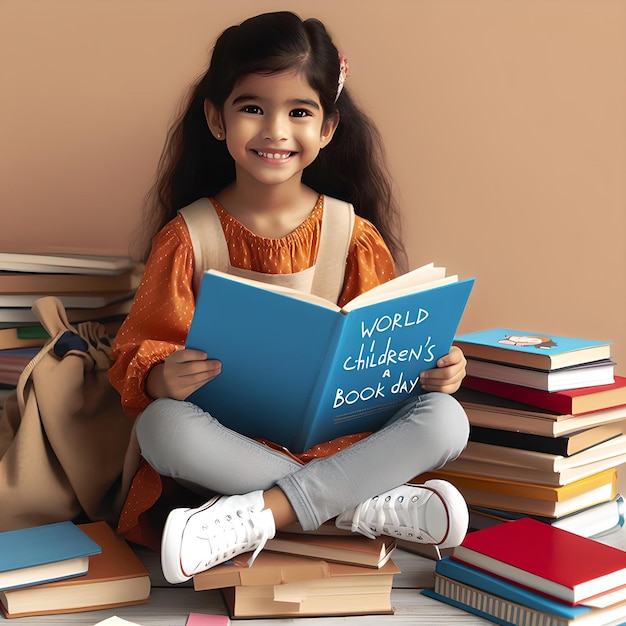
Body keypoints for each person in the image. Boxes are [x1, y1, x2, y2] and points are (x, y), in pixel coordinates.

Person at [109, 11, 470, 585]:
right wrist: (159, 377)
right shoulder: (189, 236)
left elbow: (391, 344)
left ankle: (259, 516)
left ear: (327, 128)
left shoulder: (352, 234)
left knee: (447, 420)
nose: (275, 130)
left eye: (299, 112)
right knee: (161, 428)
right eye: (253, 108)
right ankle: (357, 510)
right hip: (231, 450)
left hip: (345, 441)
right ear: (215, 118)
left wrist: (438, 368)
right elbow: (140, 349)